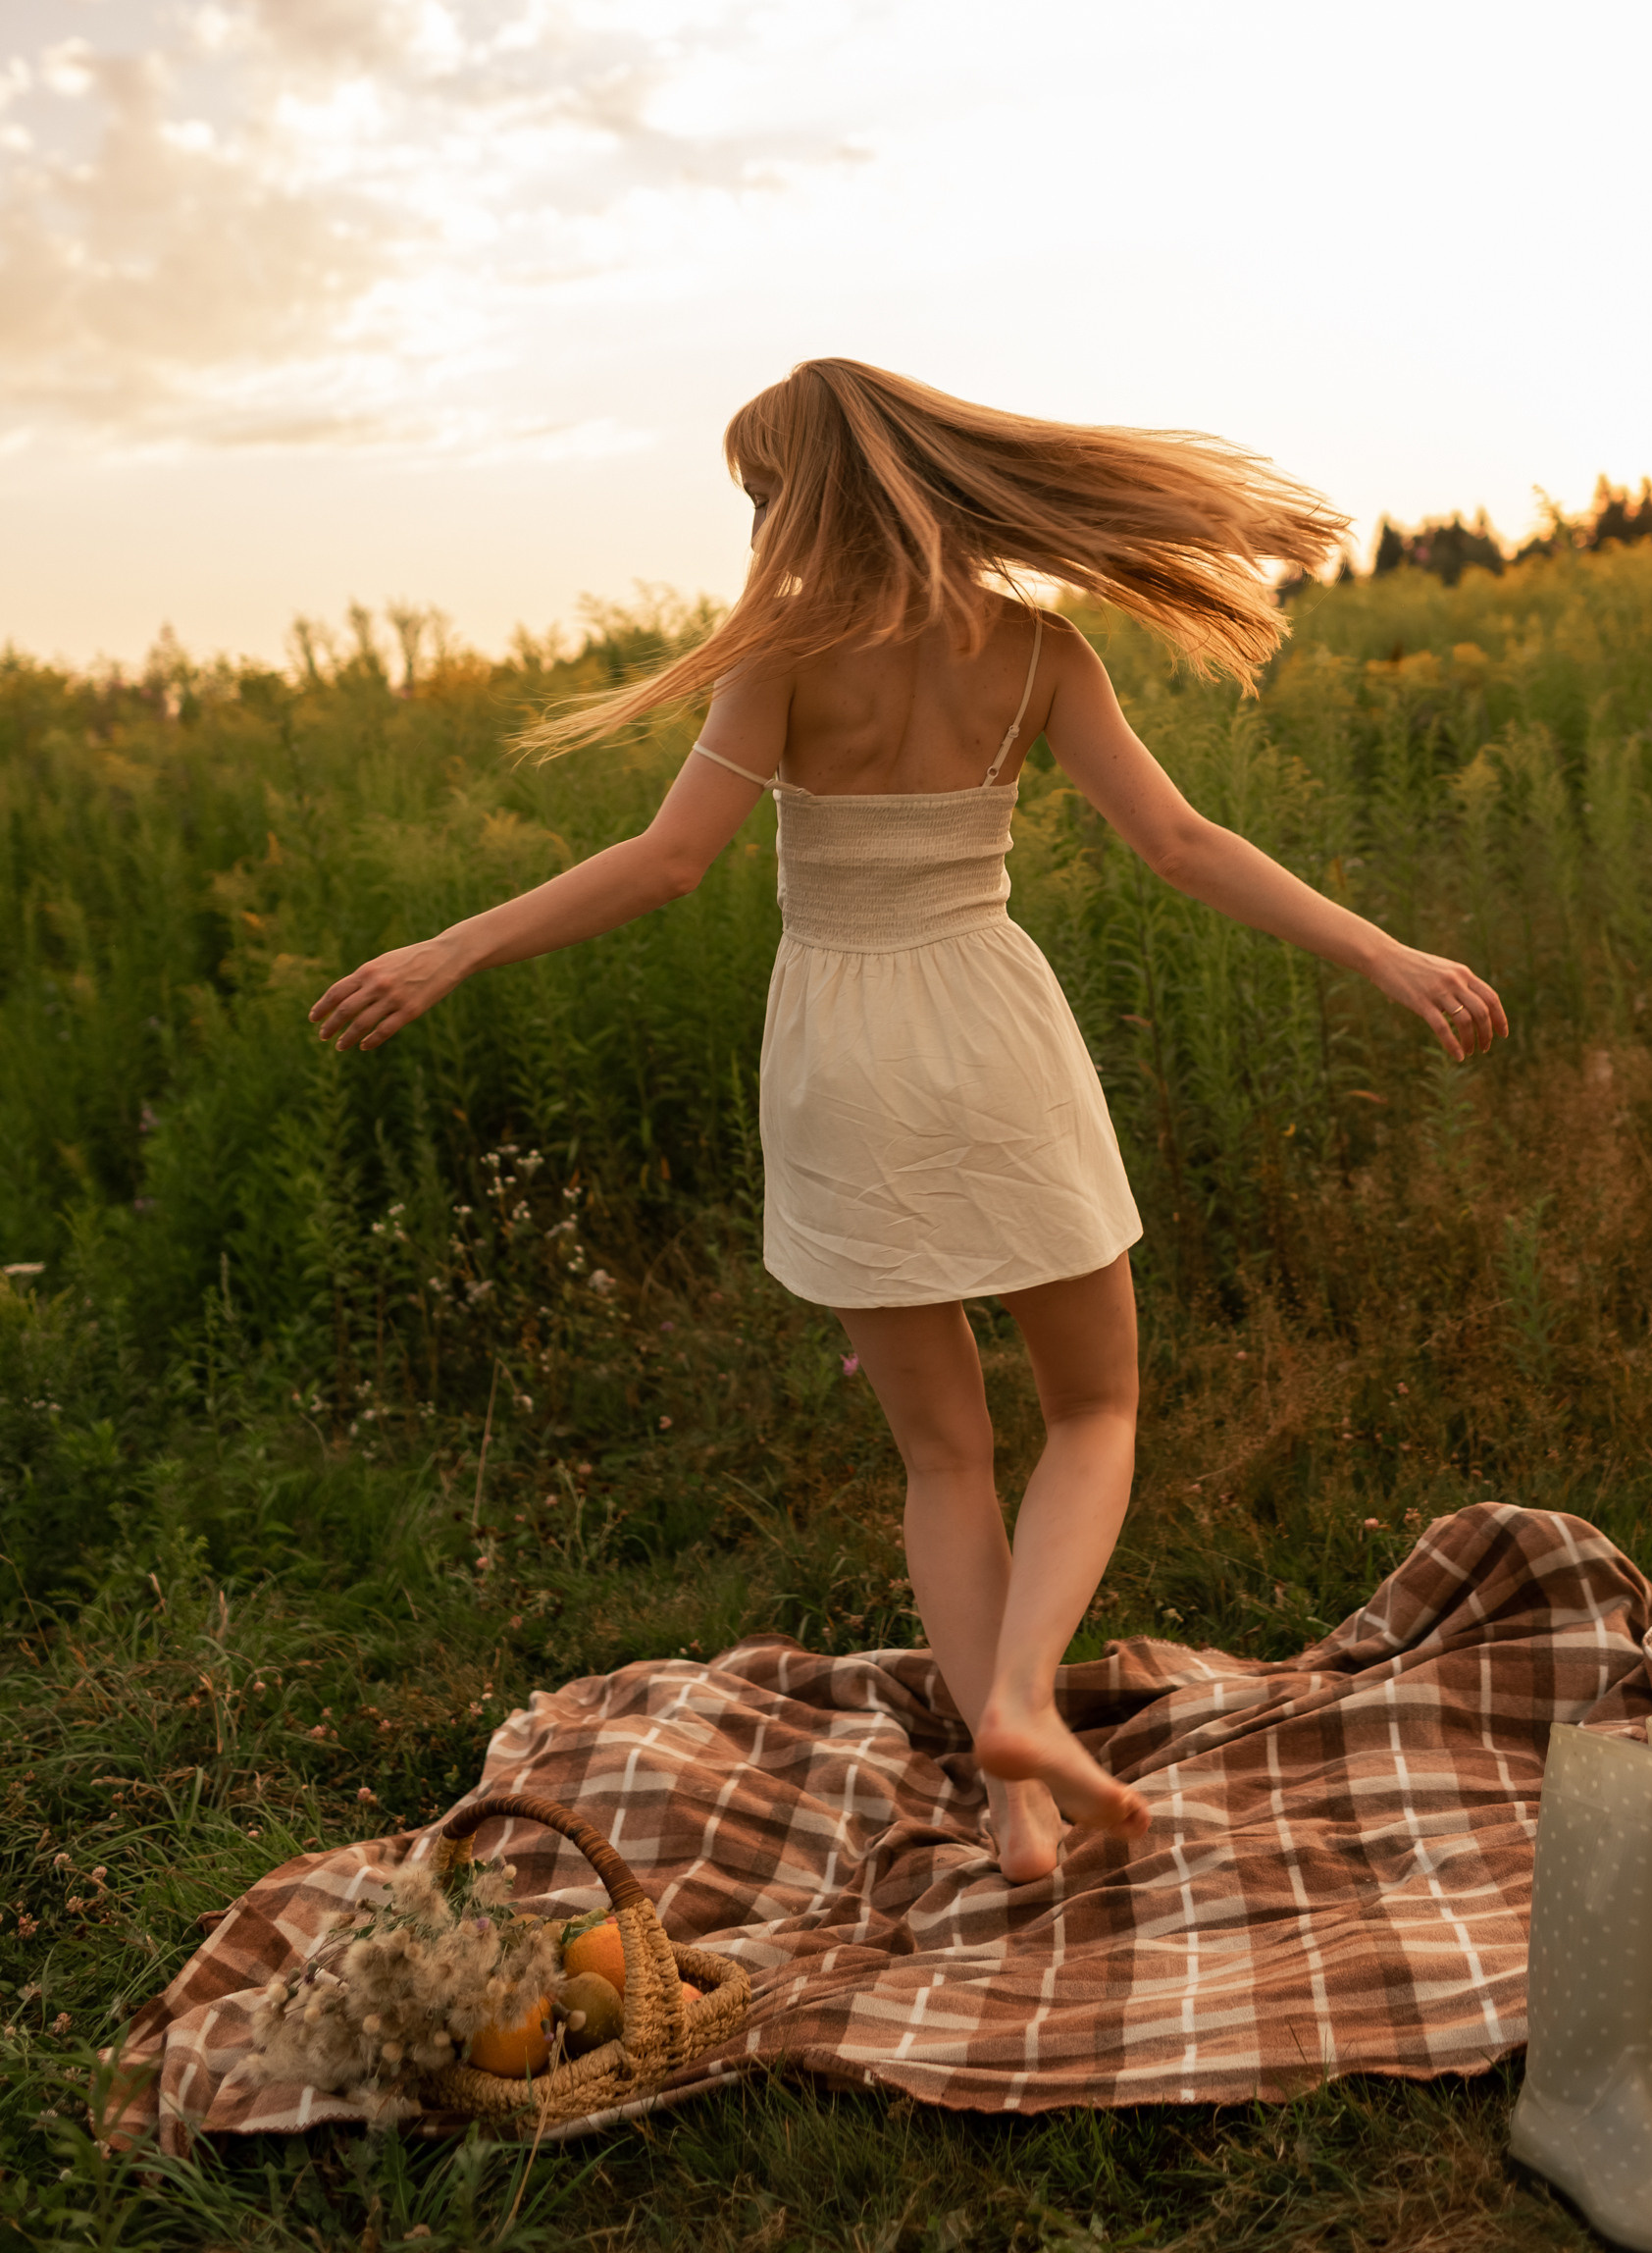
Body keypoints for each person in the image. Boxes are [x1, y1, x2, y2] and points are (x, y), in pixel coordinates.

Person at [309, 360, 1507, 1882]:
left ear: (805, 497)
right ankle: (1020, 1703)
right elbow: (1183, 843)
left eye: (761, 492)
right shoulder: (1037, 653)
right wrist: (1386, 954)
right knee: (1095, 1410)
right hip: (992, 1035)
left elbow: (669, 862)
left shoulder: (786, 660)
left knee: (943, 1456)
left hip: (841, 1055)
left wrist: (451, 945)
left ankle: (1010, 1800)